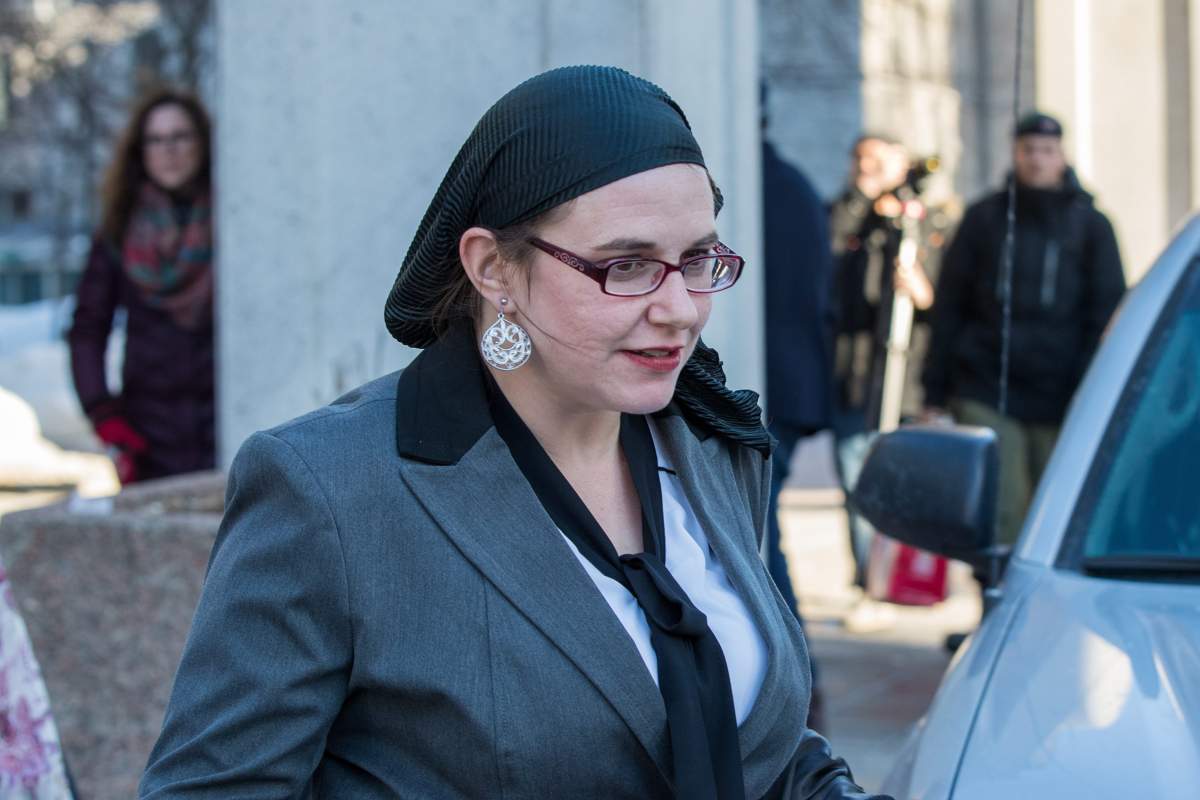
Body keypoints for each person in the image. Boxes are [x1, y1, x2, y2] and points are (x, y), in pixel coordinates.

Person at [139, 66, 888, 799]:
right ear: (493, 268)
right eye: (626, 265)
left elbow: (755, 740)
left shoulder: (710, 444)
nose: (681, 309)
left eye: (696, 260)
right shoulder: (330, 488)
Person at [922, 111, 1125, 546]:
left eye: (1047, 150)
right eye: (1028, 149)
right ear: (1015, 154)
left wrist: (1092, 383)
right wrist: (933, 390)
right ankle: (997, 597)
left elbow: (1106, 311)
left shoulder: (1092, 226)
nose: (1037, 160)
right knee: (1003, 510)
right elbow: (950, 307)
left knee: (1055, 511)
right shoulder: (983, 220)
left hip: (1063, 391)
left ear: (1062, 156)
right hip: (988, 385)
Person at [68, 88, 216, 485]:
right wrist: (104, 415)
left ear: (202, 143)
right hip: (149, 434)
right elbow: (87, 327)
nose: (169, 150)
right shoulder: (120, 231)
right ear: (141, 150)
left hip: (227, 422)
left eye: (180, 137)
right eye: (156, 139)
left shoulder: (231, 220)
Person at [828, 134, 943, 630]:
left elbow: (947, 300)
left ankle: (905, 578)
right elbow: (829, 255)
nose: (865, 167)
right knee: (858, 485)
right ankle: (868, 583)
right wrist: (864, 203)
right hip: (853, 377)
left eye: (878, 161)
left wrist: (920, 290)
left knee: (901, 487)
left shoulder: (927, 223)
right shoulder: (848, 217)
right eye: (859, 159)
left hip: (906, 376)